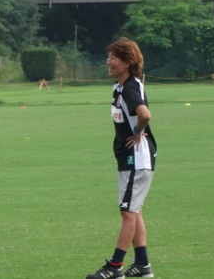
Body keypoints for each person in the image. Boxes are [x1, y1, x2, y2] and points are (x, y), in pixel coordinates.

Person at [86, 38, 157, 279]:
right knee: (134, 211)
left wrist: (137, 133)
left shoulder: (129, 88)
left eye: (113, 58)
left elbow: (144, 114)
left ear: (127, 62)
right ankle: (143, 264)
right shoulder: (120, 86)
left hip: (136, 160)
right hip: (130, 159)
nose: (108, 62)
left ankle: (115, 268)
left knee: (127, 212)